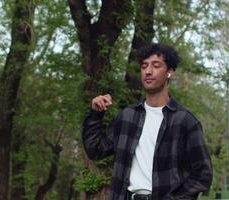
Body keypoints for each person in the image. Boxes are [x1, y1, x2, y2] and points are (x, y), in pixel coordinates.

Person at [82, 43, 212, 200]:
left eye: (156, 65)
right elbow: (95, 150)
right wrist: (96, 115)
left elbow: (203, 174)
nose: (148, 71)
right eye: (144, 66)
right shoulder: (127, 117)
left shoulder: (185, 121)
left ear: (169, 72)